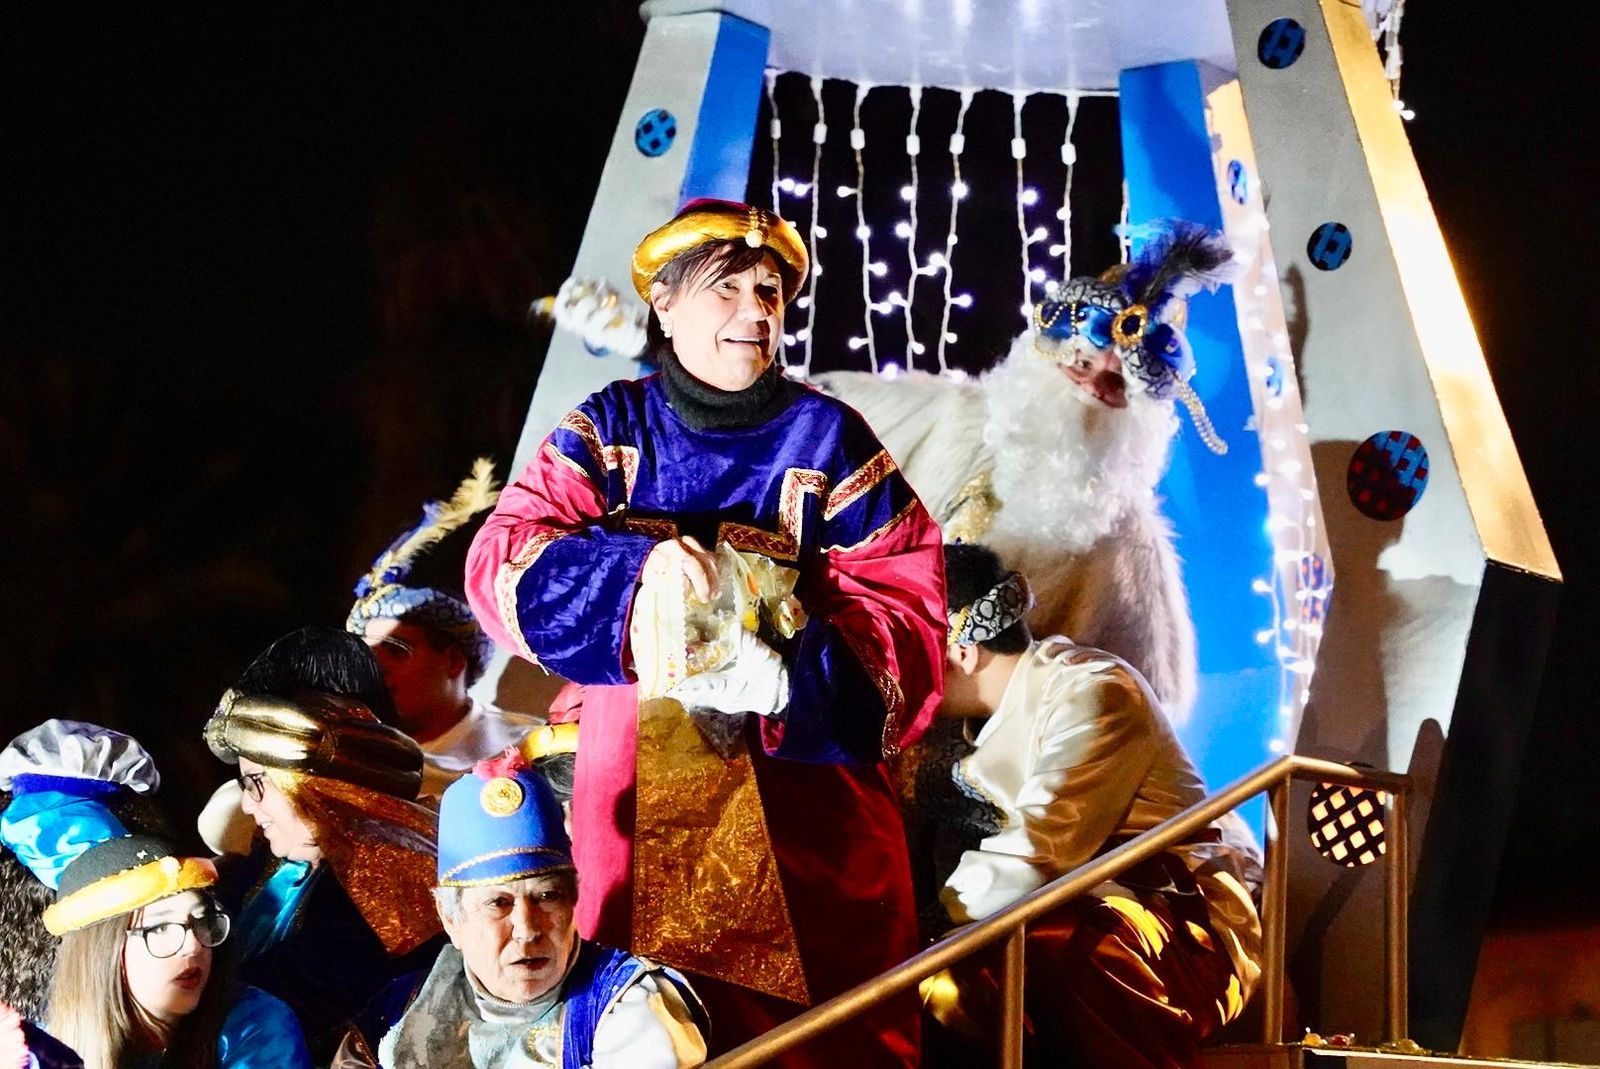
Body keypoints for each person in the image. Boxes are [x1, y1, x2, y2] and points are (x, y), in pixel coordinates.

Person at [466, 198, 946, 1065]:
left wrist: (789, 678)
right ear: (667, 305)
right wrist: (636, 576)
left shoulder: (829, 436)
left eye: (769, 291)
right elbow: (502, 560)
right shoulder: (608, 429)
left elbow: (906, 600)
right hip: (641, 812)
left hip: (810, 812)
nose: (757, 311)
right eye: (728, 289)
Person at [817, 221, 1236, 721]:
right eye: (1082, 365)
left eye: (1116, 384)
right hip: (854, 688)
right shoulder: (942, 415)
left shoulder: (1127, 554)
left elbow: (1141, 713)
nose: (1093, 389)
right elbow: (806, 426)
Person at [912, 543, 1262, 1068]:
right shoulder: (959, 730)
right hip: (1036, 916)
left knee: (1061, 944)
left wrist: (916, 939)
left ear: (961, 651)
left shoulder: (1095, 690)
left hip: (1181, 933)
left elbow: (1039, 849)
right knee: (946, 988)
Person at [333, 751, 706, 1068]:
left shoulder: (627, 1005)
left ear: (573, 900)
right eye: (499, 903)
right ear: (450, 919)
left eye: (547, 897)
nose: (527, 928)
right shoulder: (400, 1010)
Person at [0, 721, 309, 1069]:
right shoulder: (35, 1052)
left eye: (202, 921)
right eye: (160, 928)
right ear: (104, 948)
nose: (193, 945)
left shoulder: (255, 1029)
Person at [203, 639, 446, 1063]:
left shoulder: (387, 882)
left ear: (317, 785)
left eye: (256, 782)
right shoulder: (284, 856)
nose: (246, 804)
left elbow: (277, 992)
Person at [347, 459, 541, 798]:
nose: (373, 667)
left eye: (395, 649)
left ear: (453, 662)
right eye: (366, 651)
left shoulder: (530, 749)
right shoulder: (346, 753)